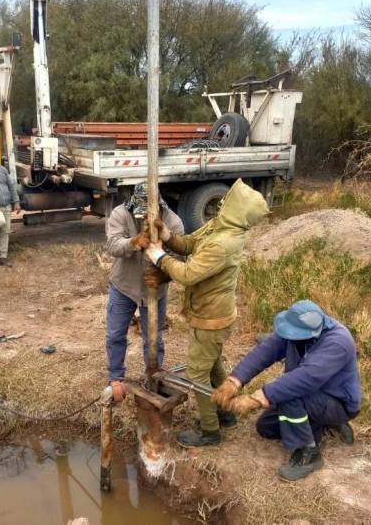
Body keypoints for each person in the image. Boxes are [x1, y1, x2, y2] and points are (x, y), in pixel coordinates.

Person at [144, 179, 270, 448]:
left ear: (237, 210)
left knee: (197, 374)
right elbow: (191, 244)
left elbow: (189, 274)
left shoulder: (224, 243)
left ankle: (210, 431)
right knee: (212, 366)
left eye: (229, 201)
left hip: (212, 318)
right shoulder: (219, 227)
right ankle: (225, 414)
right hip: (210, 312)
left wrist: (159, 257)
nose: (222, 202)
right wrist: (168, 238)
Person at [211, 299, 362, 481]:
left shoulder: (338, 342)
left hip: (338, 403)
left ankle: (309, 453)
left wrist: (257, 398)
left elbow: (304, 379)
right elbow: (265, 352)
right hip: (313, 396)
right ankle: (320, 423)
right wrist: (234, 381)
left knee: (290, 396)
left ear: (311, 333)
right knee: (266, 428)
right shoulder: (297, 331)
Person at [105, 183, 184, 403]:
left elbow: (181, 257)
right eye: (139, 213)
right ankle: (115, 377)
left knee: (154, 338)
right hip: (124, 286)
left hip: (155, 290)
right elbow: (112, 244)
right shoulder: (120, 214)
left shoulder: (173, 221)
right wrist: (133, 242)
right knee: (115, 335)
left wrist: (165, 275)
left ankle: (153, 375)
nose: (143, 218)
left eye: (148, 214)